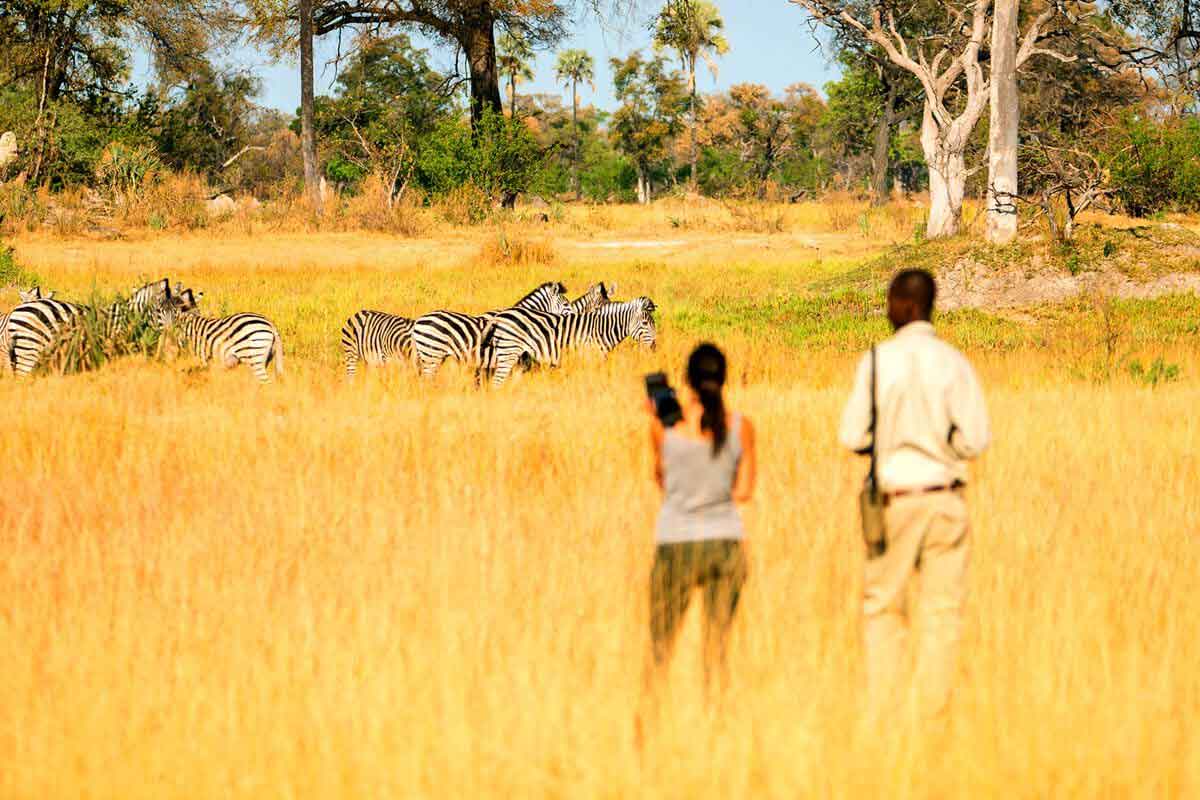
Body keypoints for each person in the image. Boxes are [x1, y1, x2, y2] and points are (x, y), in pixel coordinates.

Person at [839, 269, 990, 716]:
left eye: (890, 301)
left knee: (884, 607)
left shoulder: (877, 361)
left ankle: (883, 713)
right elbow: (975, 440)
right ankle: (931, 713)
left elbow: (851, 435)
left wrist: (887, 442)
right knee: (943, 611)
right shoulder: (953, 362)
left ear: (906, 306)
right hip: (945, 498)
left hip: (894, 499)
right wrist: (943, 445)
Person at [646, 343, 757, 689]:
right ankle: (717, 725)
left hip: (675, 542)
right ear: (724, 379)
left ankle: (649, 723)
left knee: (660, 648)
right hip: (725, 542)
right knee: (717, 649)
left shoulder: (664, 428)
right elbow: (743, 492)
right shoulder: (742, 427)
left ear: (686, 380)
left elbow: (662, 479)